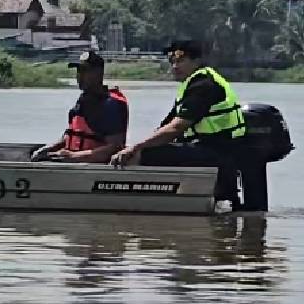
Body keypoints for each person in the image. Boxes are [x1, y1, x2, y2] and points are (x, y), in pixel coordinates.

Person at [109, 39, 247, 206]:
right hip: (208, 150)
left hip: (217, 153)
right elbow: (166, 125)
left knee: (143, 155)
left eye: (181, 60)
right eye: (172, 61)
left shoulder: (204, 85)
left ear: (196, 61)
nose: (175, 66)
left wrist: (136, 149)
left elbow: (176, 128)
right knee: (140, 151)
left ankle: (130, 203)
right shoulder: (191, 85)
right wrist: (134, 146)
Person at [31, 51, 128, 163]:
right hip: (72, 166)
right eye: (78, 71)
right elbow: (68, 136)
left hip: (95, 171)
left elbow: (114, 148)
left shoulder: (111, 105)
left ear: (98, 73)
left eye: (85, 71)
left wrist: (73, 157)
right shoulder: (82, 102)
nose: (79, 76)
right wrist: (47, 149)